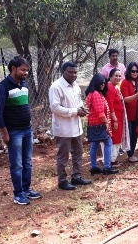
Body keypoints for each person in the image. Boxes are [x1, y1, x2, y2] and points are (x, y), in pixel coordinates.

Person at [0, 56, 42, 205]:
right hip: (14, 132)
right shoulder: (3, 87)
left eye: (27, 70)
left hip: (27, 130)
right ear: (13, 68)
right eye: (22, 69)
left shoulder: (24, 86)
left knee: (27, 162)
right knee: (17, 164)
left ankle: (27, 189)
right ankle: (18, 193)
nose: (25, 72)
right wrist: (4, 133)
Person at [49, 61, 92, 190]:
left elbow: (78, 103)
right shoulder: (56, 87)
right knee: (63, 155)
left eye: (75, 72)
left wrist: (82, 109)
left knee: (78, 152)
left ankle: (76, 177)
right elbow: (55, 107)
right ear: (63, 71)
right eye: (71, 72)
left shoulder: (76, 86)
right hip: (63, 128)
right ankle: (62, 181)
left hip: (76, 126)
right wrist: (74, 112)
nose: (74, 75)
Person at [85, 74, 119, 175]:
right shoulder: (96, 94)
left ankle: (94, 166)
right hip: (100, 124)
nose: (103, 85)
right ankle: (107, 167)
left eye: (104, 83)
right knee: (108, 142)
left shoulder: (91, 93)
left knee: (94, 144)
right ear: (96, 82)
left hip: (93, 124)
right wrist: (106, 123)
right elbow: (100, 112)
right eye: (101, 83)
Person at [120, 62, 138, 163]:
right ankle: (130, 154)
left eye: (137, 71)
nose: (135, 73)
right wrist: (136, 95)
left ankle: (131, 154)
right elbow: (125, 99)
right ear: (129, 71)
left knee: (135, 134)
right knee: (129, 134)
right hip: (128, 114)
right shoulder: (125, 83)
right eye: (133, 71)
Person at [105, 68, 130, 167]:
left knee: (116, 137)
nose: (118, 78)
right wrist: (114, 120)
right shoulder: (110, 87)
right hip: (114, 118)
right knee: (115, 138)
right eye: (116, 75)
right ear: (110, 76)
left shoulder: (114, 87)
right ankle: (112, 160)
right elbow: (110, 104)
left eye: (120, 76)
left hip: (118, 117)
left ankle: (111, 159)